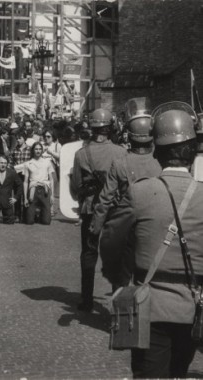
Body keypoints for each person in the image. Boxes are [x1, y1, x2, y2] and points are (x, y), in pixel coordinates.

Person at [100, 102, 203, 378]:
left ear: (158, 152)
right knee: (179, 371)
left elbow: (110, 241)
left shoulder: (140, 193)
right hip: (194, 309)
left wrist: (118, 281)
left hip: (150, 307)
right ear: (193, 150)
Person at [71, 108, 127, 312]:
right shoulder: (121, 152)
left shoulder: (81, 154)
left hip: (90, 209)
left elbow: (76, 185)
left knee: (88, 253)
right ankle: (118, 302)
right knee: (116, 255)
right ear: (110, 127)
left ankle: (86, 301)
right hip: (115, 209)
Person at [92, 99, 162, 240]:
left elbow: (105, 199)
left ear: (129, 135)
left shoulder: (120, 163)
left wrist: (96, 227)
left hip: (129, 222)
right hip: (158, 221)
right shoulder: (161, 162)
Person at [23, 142, 54, 225]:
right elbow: (25, 181)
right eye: (36, 149)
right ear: (33, 150)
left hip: (45, 190)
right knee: (29, 221)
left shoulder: (47, 162)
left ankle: (42, 214)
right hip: (33, 190)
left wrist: (52, 195)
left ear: (42, 150)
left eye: (40, 149)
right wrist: (25, 197)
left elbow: (51, 179)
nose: (38, 151)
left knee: (46, 222)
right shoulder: (28, 164)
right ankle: (34, 214)